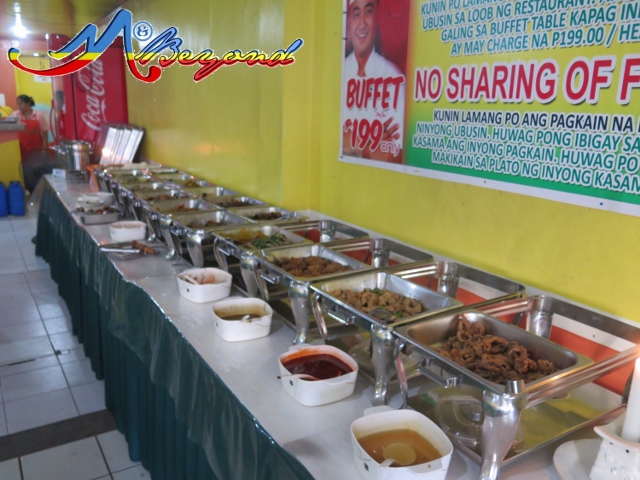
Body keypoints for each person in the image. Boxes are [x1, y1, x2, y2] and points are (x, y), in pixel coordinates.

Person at [342, 0, 405, 163]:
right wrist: (371, 147)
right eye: (356, 14)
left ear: (377, 18)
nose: (362, 24)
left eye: (368, 12)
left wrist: (354, 142)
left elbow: (396, 156)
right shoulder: (339, 74)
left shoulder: (394, 78)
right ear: (349, 22)